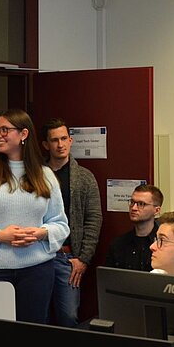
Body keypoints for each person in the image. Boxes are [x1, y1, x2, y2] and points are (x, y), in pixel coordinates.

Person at [0, 109, 69, 324]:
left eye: (5, 130)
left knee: (30, 336)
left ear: (24, 134)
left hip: (37, 272)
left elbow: (61, 224)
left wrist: (41, 233)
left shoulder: (45, 175)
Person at [41, 119, 102, 326]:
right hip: (37, 255)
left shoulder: (84, 178)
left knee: (68, 316)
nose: (60, 145)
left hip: (67, 257)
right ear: (46, 144)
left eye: (64, 138)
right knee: (37, 315)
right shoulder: (34, 175)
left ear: (71, 140)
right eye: (54, 140)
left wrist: (83, 259)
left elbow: (94, 219)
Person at [105, 184, 162, 272]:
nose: (134, 208)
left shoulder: (163, 244)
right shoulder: (118, 244)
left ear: (156, 210)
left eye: (141, 204)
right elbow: (109, 277)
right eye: (132, 202)